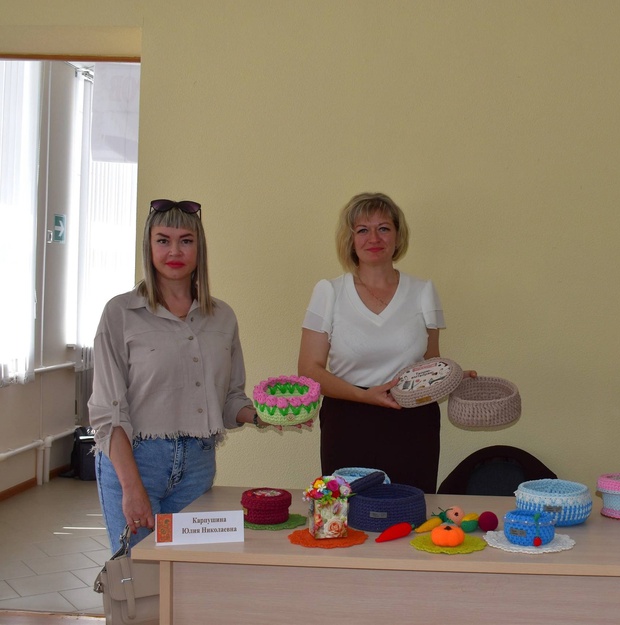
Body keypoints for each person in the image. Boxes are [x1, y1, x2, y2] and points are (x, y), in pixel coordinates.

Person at [89, 199, 266, 552]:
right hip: (136, 461)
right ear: (148, 246)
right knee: (139, 572)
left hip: (198, 465)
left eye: (186, 240)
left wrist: (267, 416)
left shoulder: (223, 317)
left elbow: (230, 399)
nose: (174, 251)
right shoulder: (120, 313)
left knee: (185, 573)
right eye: (163, 240)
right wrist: (131, 488)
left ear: (200, 248)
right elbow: (109, 413)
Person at [298, 192, 470, 494]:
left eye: (384, 228)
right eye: (363, 230)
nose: (374, 238)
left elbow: (430, 361)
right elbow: (309, 370)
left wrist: (452, 378)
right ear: (350, 239)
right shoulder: (329, 292)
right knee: (348, 513)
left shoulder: (423, 291)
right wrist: (364, 396)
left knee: (410, 512)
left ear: (398, 236)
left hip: (412, 423)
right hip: (348, 421)